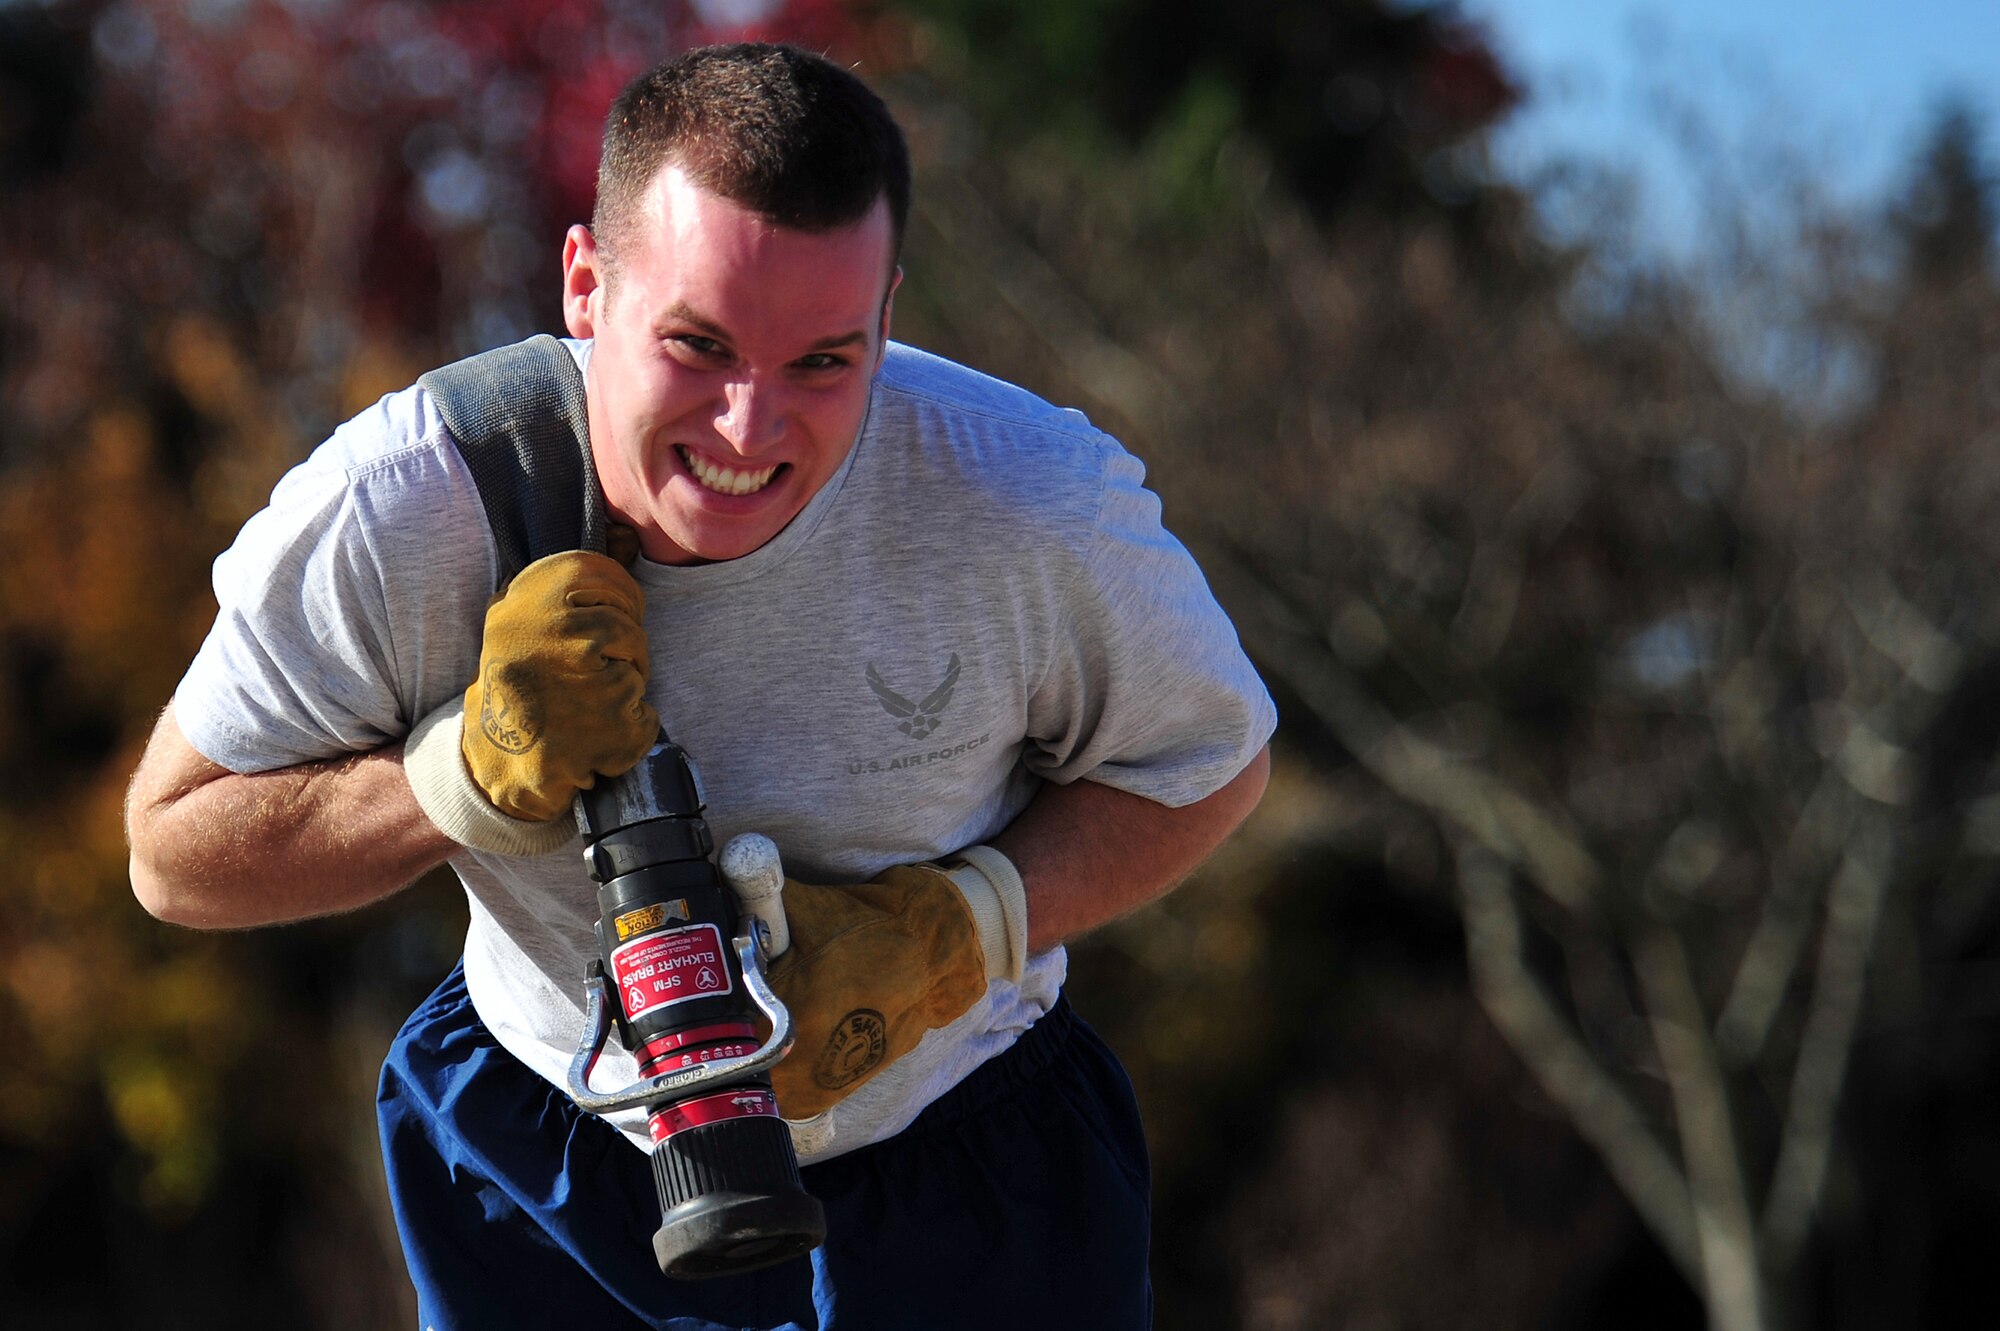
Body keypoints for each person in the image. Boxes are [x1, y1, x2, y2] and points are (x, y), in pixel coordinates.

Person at [125, 42, 1274, 1331]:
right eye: (698, 343)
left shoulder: (1032, 501)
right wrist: (455, 777)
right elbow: (174, 854)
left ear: (890, 316)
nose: (748, 428)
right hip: (553, 1155)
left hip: (964, 1149)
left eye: (824, 362)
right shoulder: (415, 500)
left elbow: (1208, 764)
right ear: (584, 285)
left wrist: (968, 929)